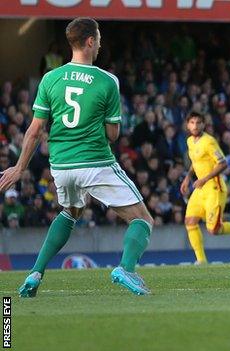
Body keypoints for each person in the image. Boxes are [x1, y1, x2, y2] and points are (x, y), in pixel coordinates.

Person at [1, 18, 155, 296]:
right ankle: (126, 268)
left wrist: (19, 167)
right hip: (94, 162)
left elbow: (35, 130)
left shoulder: (50, 78)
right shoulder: (107, 81)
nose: (101, 42)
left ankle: (36, 272)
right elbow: (112, 134)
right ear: (90, 41)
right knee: (142, 219)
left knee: (70, 212)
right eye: (99, 37)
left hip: (61, 165)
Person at [180, 111, 230, 265]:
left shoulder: (209, 142)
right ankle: (201, 260)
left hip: (214, 188)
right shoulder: (190, 141)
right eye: (192, 123)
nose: (195, 126)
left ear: (204, 124)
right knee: (190, 221)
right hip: (200, 188)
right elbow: (195, 162)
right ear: (188, 125)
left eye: (198, 122)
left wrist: (203, 179)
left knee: (214, 229)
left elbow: (223, 163)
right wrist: (188, 177)